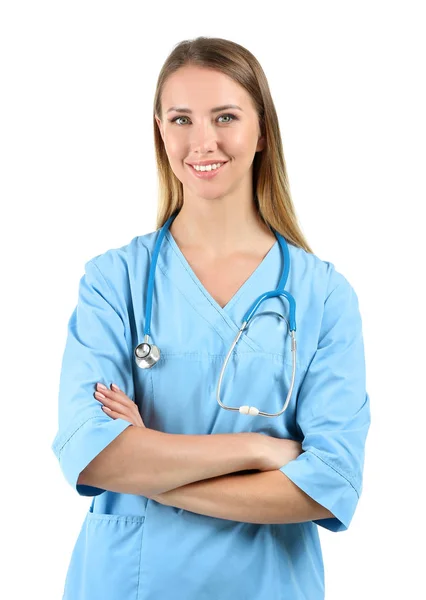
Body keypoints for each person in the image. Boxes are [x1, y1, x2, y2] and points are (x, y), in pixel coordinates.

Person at [51, 36, 371, 600]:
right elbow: (94, 455)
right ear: (160, 130)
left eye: (226, 116)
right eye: (181, 119)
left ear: (262, 130)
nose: (204, 141)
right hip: (127, 584)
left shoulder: (323, 295)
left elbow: (328, 486)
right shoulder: (112, 283)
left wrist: (150, 462)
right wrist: (256, 449)